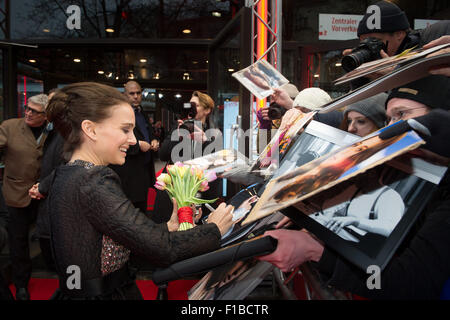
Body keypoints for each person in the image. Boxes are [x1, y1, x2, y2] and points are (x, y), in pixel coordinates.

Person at [257, 76, 450, 299]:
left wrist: (315, 251)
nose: (393, 128)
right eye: (389, 119)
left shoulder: (425, 193)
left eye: (402, 114)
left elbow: (410, 283)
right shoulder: (397, 173)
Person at [43, 82, 234, 300]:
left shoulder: (68, 173)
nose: (133, 140)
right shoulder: (93, 180)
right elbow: (162, 248)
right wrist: (214, 228)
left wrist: (169, 226)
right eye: (125, 129)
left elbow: (128, 236)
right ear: (90, 129)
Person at [0, 93, 49, 300]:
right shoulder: (10, 127)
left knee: (48, 238)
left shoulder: (53, 131)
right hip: (16, 194)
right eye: (27, 108)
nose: (28, 112)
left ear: (45, 115)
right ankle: (21, 284)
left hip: (46, 195)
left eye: (34, 111)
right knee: (18, 242)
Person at [345, 1, 450, 88]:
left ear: (399, 34)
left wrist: (397, 74)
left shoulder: (431, 44)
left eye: (374, 41)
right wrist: (359, 75)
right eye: (363, 41)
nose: (368, 47)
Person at [28, 88, 65, 272]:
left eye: (51, 102)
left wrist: (42, 187)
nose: (47, 107)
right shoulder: (50, 130)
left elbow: (64, 167)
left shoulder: (67, 132)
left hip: (58, 202)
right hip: (43, 199)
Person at [109, 81, 159, 214]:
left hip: (143, 171)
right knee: (129, 214)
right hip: (128, 173)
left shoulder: (141, 112)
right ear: (124, 95)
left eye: (138, 93)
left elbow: (148, 133)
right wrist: (138, 145)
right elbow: (114, 141)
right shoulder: (118, 114)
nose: (136, 96)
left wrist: (154, 140)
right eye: (132, 93)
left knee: (143, 212)